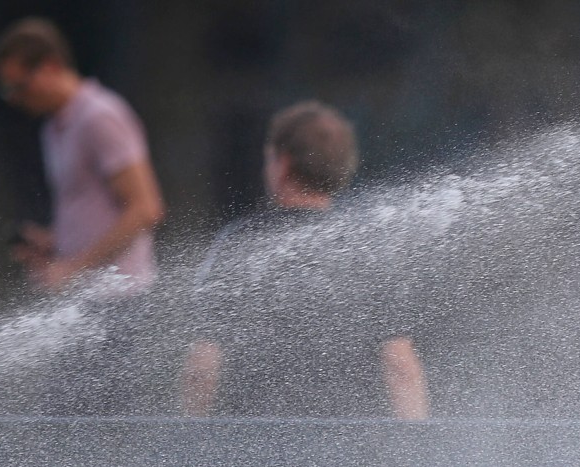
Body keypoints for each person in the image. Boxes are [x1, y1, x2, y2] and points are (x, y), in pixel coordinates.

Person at [180, 100, 429, 419]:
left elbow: (203, 363)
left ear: (282, 164)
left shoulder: (240, 243)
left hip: (251, 446)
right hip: (354, 449)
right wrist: (415, 453)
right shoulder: (367, 245)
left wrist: (193, 444)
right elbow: (400, 365)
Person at [0, 17, 164, 293]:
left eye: (20, 86)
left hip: (122, 297)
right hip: (89, 298)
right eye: (7, 91)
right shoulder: (53, 128)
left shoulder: (100, 116)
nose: (15, 99)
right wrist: (54, 242)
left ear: (50, 67)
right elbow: (94, 212)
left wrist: (74, 268)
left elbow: (145, 208)